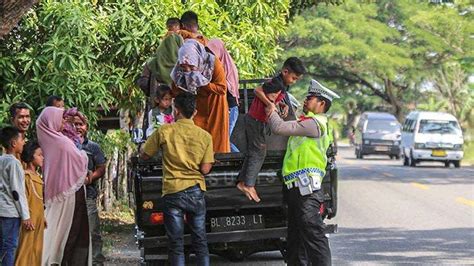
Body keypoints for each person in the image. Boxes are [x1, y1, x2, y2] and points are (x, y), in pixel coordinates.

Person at [265, 79, 340, 265]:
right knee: (296, 235)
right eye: (306, 97)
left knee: (312, 230)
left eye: (310, 98)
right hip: (295, 187)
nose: (306, 100)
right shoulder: (305, 122)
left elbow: (279, 128)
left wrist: (270, 109)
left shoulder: (315, 124)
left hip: (307, 188)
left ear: (321, 104)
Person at [140, 93, 214, 266]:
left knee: (176, 244)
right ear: (194, 112)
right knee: (200, 241)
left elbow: (145, 155)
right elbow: (205, 169)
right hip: (196, 191)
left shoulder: (164, 131)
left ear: (176, 110)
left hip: (173, 191)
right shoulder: (205, 136)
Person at [36, 107, 90, 265]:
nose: (64, 122)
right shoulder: (61, 142)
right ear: (52, 121)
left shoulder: (48, 137)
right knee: (68, 230)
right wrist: (84, 155)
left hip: (55, 192)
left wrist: (70, 115)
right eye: (60, 119)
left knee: (55, 230)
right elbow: (80, 160)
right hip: (67, 193)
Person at [171, 39, 230, 153]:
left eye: (192, 67)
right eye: (184, 67)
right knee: (195, 142)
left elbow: (222, 88)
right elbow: (175, 89)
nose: (188, 71)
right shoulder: (179, 68)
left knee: (216, 141)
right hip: (195, 107)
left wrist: (203, 83)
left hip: (214, 106)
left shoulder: (213, 63)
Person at [236, 77, 287, 202]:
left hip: (257, 121)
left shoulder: (280, 86)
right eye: (293, 77)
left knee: (253, 152)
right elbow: (258, 90)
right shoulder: (273, 87)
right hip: (255, 121)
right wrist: (270, 104)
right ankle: (248, 184)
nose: (275, 96)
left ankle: (243, 182)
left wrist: (280, 104)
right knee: (259, 152)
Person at [72, 111, 107, 265]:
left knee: (92, 231)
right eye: (74, 124)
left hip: (88, 195)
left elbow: (101, 167)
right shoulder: (65, 145)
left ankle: (96, 261)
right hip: (68, 196)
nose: (78, 127)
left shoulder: (93, 147)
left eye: (81, 124)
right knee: (71, 232)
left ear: (86, 127)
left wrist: (90, 178)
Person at [0, 127, 32, 266]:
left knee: (2, 246)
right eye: (21, 140)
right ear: (13, 143)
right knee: (10, 247)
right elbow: (17, 192)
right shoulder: (13, 163)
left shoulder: (1, 160)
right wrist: (26, 216)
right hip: (10, 213)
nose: (23, 143)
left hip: (1, 209)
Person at [15, 141, 46, 266]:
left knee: (37, 249)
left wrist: (42, 216)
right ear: (31, 156)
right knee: (25, 249)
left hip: (39, 219)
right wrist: (26, 218)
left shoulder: (37, 177)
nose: (42, 157)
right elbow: (24, 199)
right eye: (39, 155)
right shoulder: (26, 176)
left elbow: (39, 200)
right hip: (30, 219)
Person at [207, 38, 240, 152]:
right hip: (223, 108)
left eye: (212, 52)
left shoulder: (226, 68)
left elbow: (224, 88)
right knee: (221, 138)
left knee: (224, 139)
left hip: (230, 108)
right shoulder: (218, 66)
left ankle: (239, 160)